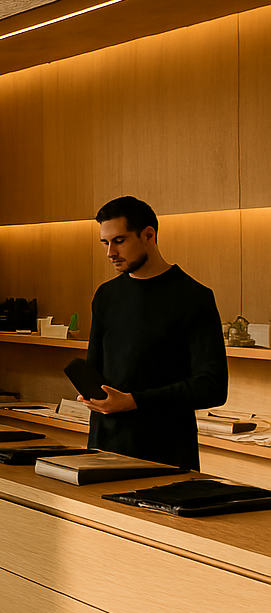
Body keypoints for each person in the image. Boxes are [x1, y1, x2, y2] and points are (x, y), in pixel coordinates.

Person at [80, 196, 227, 471]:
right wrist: (89, 392)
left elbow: (213, 387)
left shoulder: (194, 297)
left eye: (119, 241)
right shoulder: (105, 295)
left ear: (149, 235)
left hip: (166, 453)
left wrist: (134, 401)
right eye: (105, 243)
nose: (110, 252)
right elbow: (95, 370)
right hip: (104, 449)